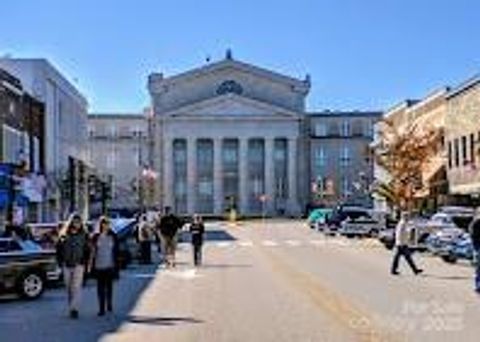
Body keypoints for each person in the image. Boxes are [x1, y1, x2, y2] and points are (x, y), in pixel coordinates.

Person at [56, 213, 90, 319]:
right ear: (71, 222)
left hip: (79, 264)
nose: (77, 224)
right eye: (75, 222)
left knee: (76, 287)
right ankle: (72, 305)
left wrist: (86, 263)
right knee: (68, 287)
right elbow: (58, 250)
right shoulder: (64, 235)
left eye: (79, 222)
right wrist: (60, 263)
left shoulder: (84, 235)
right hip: (66, 264)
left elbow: (87, 250)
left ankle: (74, 309)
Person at [89, 216, 120, 316]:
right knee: (100, 288)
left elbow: (116, 251)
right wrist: (90, 265)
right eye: (103, 223)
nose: (105, 225)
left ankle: (109, 303)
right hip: (99, 265)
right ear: (100, 225)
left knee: (109, 287)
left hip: (110, 265)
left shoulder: (113, 236)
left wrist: (117, 265)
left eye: (107, 223)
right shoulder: (96, 236)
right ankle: (101, 308)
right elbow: (92, 251)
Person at [390, 211, 423, 276]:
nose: (408, 217)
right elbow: (400, 234)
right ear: (404, 217)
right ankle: (415, 270)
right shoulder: (402, 223)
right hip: (401, 244)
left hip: (401, 243)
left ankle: (415, 270)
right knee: (406, 258)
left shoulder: (403, 223)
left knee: (401, 258)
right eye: (407, 216)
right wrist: (403, 241)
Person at [469, 208, 480, 293]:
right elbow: (473, 235)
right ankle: (478, 285)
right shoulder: (476, 223)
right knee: (478, 267)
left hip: (477, 246)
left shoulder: (474, 222)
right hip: (478, 246)